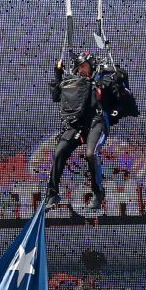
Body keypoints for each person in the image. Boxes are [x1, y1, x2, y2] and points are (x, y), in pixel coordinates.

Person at [46, 51, 108, 211]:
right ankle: (52, 193)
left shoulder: (101, 80)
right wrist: (58, 76)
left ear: (92, 66)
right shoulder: (73, 83)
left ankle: (98, 193)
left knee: (90, 154)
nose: (82, 70)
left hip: (96, 122)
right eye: (79, 67)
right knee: (59, 151)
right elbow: (56, 97)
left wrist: (103, 75)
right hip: (77, 125)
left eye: (84, 66)